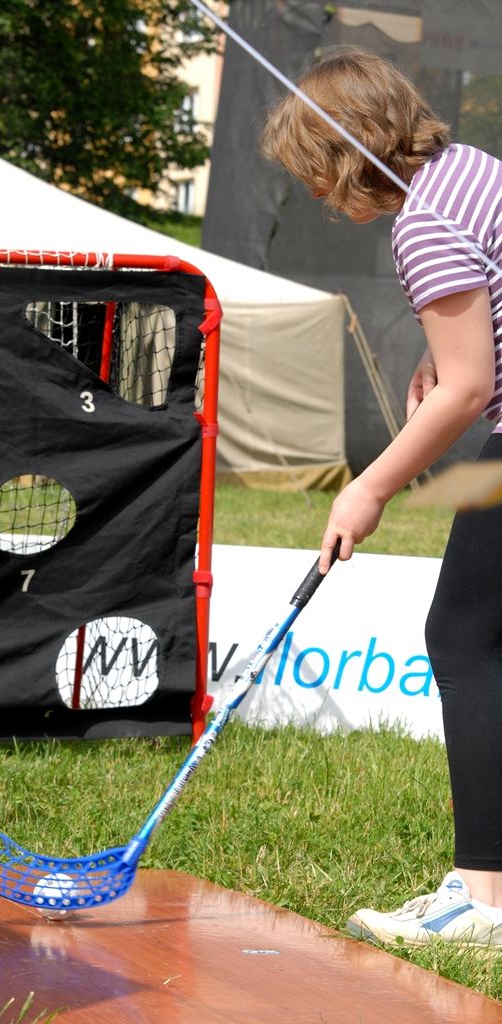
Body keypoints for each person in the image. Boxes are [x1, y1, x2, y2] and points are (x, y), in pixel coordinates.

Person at [262, 47, 502, 948]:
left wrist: (365, 488)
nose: (324, 198)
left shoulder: (422, 223)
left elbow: (467, 390)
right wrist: (438, 357)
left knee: (463, 635)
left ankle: (483, 901)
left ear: (348, 150)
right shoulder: (467, 169)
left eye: (318, 176)